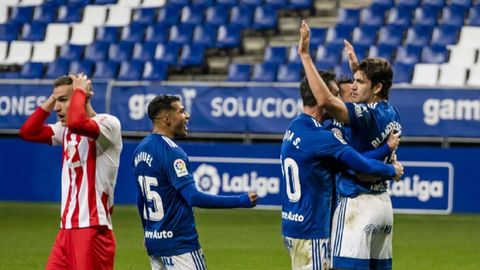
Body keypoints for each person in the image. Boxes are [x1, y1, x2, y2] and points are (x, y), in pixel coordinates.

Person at [298, 20, 402, 269]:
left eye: (359, 82)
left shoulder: (366, 115)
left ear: (377, 87)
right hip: (383, 206)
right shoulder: (392, 111)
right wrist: (359, 69)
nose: (352, 88)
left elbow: (324, 100)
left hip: (357, 203)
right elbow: (373, 97)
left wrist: (304, 56)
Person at [281, 71, 403, 270]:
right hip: (313, 230)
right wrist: (389, 164)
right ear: (322, 97)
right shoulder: (324, 138)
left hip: (291, 225)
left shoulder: (295, 127)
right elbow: (357, 163)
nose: (339, 101)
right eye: (335, 95)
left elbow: (349, 160)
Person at [132, 94, 258, 270]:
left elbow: (141, 198)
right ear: (167, 118)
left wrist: (148, 231)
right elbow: (194, 197)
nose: (187, 116)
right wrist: (240, 200)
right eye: (181, 111)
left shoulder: (140, 149)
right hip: (180, 246)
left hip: (155, 245)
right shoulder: (172, 152)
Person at [19, 74, 122, 270]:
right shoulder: (64, 130)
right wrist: (54, 98)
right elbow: (27, 132)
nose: (57, 108)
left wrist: (80, 91)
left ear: (83, 98)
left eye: (64, 100)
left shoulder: (108, 124)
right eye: (56, 101)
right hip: (66, 230)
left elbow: (78, 122)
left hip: (92, 229)